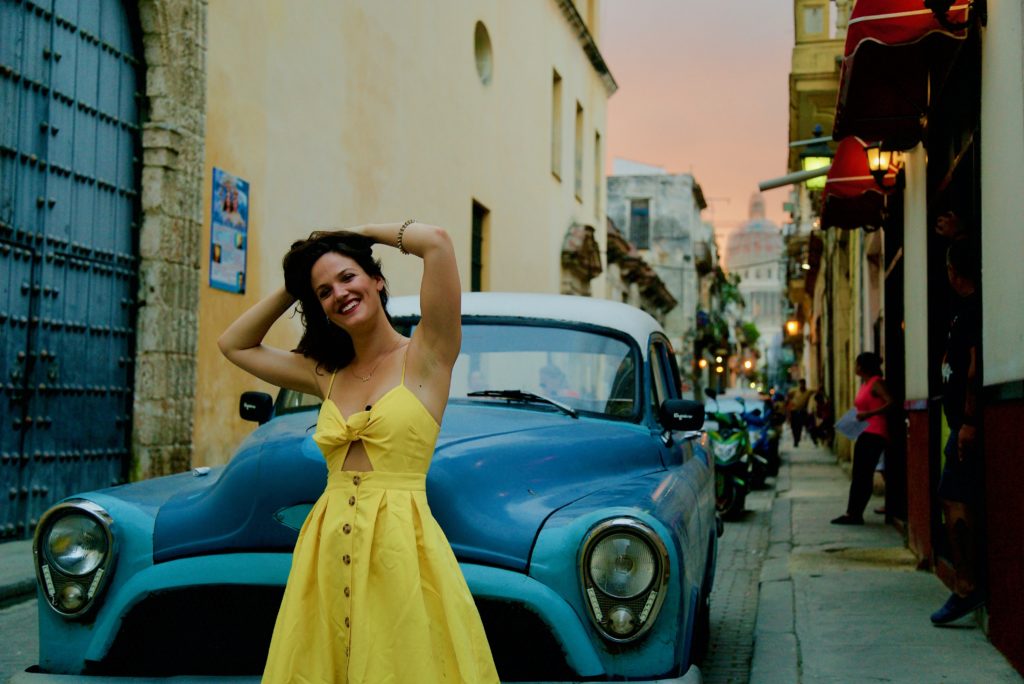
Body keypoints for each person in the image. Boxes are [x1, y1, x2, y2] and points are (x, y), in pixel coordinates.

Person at [218, 221, 499, 682]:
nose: (339, 294)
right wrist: (295, 285)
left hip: (401, 550)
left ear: (377, 280)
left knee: (400, 666)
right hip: (325, 548)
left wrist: (357, 234)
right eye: (324, 292)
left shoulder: (428, 355)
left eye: (348, 277)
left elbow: (438, 243)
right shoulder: (324, 373)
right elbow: (234, 344)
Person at [930, 239, 984, 625]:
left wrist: (967, 422)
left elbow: (972, 370)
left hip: (964, 426)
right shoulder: (963, 312)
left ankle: (965, 584)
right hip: (960, 422)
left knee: (953, 499)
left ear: (952, 272)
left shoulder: (971, 312)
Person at [831, 352, 892, 525]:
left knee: (863, 474)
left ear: (863, 366)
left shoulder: (877, 383)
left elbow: (891, 402)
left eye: (857, 364)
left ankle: (855, 513)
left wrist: (869, 414)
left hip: (875, 432)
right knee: (859, 474)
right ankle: (852, 512)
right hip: (865, 432)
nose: (855, 367)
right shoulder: (865, 384)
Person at [787, 379, 814, 447]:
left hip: (802, 411)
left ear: (805, 384)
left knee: (801, 426)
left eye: (803, 384)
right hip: (794, 411)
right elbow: (788, 397)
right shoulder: (794, 391)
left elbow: (814, 391)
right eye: (800, 384)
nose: (802, 385)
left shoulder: (808, 392)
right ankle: (796, 440)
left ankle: (812, 439)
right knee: (794, 427)